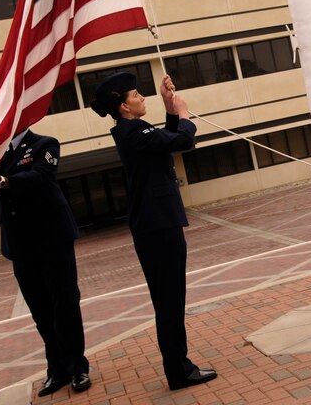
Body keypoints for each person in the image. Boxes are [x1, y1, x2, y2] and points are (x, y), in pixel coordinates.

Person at [90, 71, 217, 390]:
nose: (141, 97)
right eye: (135, 95)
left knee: (169, 298)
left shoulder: (133, 129)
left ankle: (180, 366)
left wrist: (168, 105)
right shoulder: (134, 131)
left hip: (156, 223)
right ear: (123, 107)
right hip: (158, 224)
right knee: (169, 300)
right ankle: (179, 370)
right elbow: (182, 140)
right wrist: (185, 115)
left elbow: (164, 143)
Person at [0, 130, 91, 397]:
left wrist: (4, 182)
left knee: (64, 304)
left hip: (52, 237)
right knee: (40, 311)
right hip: (21, 244)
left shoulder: (44, 144)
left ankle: (77, 367)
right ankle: (57, 370)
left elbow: (41, 177)